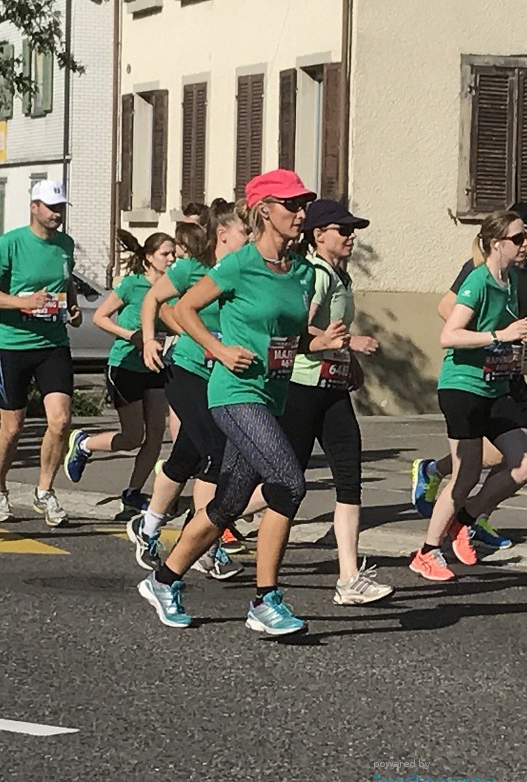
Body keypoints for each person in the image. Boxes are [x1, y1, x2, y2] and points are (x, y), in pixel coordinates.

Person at [137, 169, 347, 634]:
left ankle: (163, 579)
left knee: (228, 504)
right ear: (263, 211)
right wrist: (218, 350)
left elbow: (287, 340)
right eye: (291, 205)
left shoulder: (298, 274)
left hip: (273, 395)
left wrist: (320, 342)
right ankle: (265, 600)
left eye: (302, 204)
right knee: (289, 484)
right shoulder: (238, 264)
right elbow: (183, 308)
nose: (300, 213)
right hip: (233, 394)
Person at [411, 201, 527, 549]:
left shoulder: (521, 274)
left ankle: (468, 519)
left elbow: (516, 317)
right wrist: (496, 337)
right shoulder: (478, 274)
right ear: (500, 241)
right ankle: (435, 535)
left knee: (518, 462)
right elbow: (451, 321)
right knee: (473, 467)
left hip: (502, 376)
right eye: (525, 234)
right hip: (468, 380)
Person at [275, 199, 393, 604]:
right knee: (286, 480)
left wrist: (351, 362)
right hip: (303, 387)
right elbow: (299, 327)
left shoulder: (340, 277)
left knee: (349, 475)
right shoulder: (315, 275)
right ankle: (218, 522)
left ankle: (349, 578)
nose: (351, 236)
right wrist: (345, 342)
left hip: (333, 389)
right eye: (343, 230)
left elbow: (334, 331)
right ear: (318, 234)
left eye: (352, 229)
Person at [132, 198, 252, 578]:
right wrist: (150, 340)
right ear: (223, 234)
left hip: (222, 379)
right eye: (244, 232)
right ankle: (204, 544)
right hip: (185, 371)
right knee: (215, 453)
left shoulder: (244, 272)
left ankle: (147, 526)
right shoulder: (192, 269)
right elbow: (153, 299)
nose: (250, 238)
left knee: (186, 455)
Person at [0, 180, 82, 526]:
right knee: (13, 427)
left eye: (61, 207)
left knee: (61, 420)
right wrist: (22, 302)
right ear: (34, 207)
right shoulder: (11, 243)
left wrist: (74, 307)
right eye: (51, 207)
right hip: (13, 344)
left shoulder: (65, 244)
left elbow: (66, 282)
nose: (57, 214)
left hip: (53, 342)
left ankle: (45, 491)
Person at [65, 232, 176, 511]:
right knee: (132, 437)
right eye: (166, 254)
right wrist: (132, 336)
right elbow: (101, 317)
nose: (172, 259)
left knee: (155, 434)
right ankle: (85, 443)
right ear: (149, 258)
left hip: (156, 366)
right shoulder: (132, 285)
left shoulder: (173, 288)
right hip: (125, 366)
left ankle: (133, 492)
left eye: (174, 253)